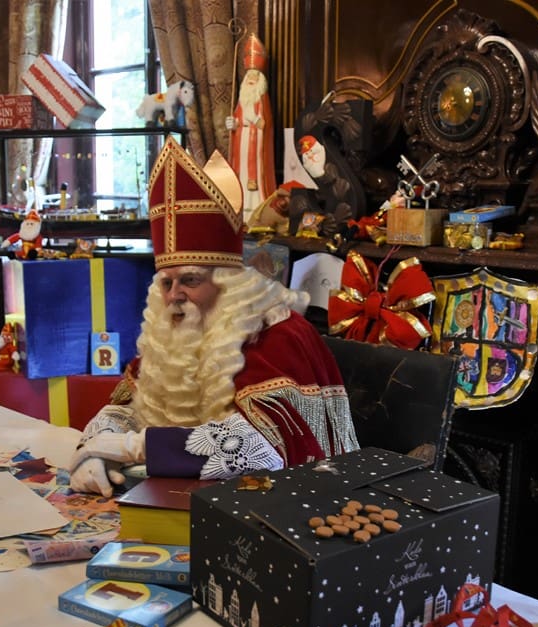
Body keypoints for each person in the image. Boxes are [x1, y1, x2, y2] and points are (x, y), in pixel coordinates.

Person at [68, 138, 359, 496]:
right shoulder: (174, 329)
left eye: (190, 280)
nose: (174, 295)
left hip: (272, 505)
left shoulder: (278, 335)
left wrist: (135, 447)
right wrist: (95, 447)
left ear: (228, 285)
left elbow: (261, 448)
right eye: (166, 283)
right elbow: (125, 409)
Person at [227, 33, 276, 219]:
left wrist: (254, 119)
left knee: (254, 177)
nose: (251, 80)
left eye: (255, 76)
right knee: (242, 175)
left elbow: (265, 124)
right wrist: (233, 123)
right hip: (242, 145)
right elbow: (238, 119)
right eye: (249, 76)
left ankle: (256, 209)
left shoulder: (262, 100)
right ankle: (241, 208)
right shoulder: (243, 99)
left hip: (256, 148)